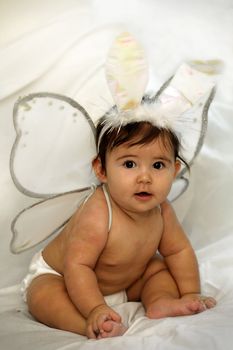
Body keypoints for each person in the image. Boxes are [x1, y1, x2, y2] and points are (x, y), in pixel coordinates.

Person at [21, 119, 216, 340]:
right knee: (44, 296)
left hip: (124, 282)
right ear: (101, 170)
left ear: (174, 170)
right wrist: (95, 308)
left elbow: (178, 251)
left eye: (158, 165)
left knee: (158, 269)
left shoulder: (162, 210)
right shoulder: (98, 213)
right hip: (64, 277)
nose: (145, 178)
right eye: (130, 164)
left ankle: (161, 302)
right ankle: (89, 325)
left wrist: (190, 292)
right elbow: (78, 266)